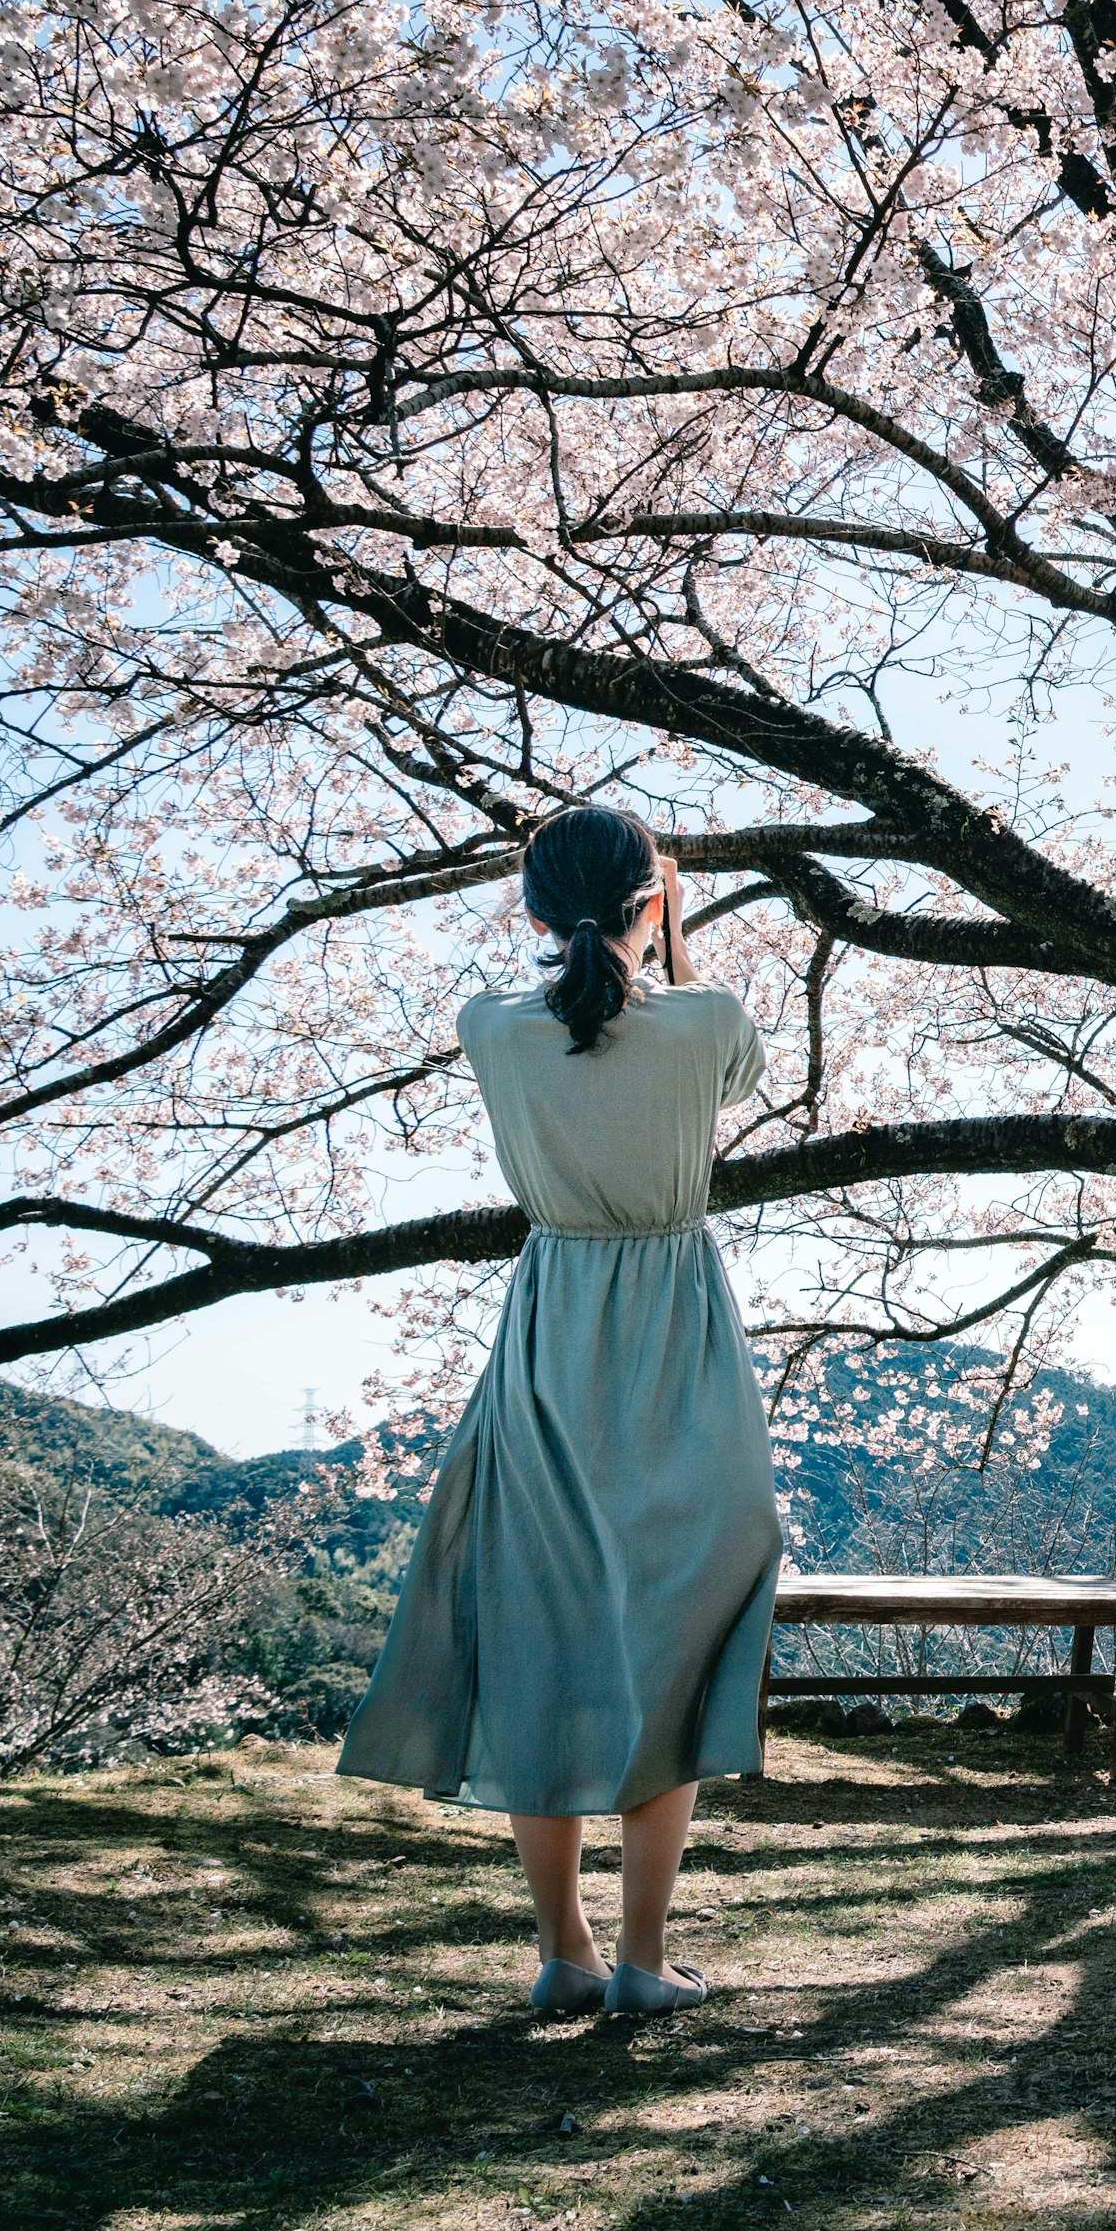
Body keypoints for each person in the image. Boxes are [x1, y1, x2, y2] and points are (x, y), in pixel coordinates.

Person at [336, 804, 780, 2017]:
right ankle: (644, 1954)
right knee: (678, 1634)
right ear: (652, 898)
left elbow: (575, 1009)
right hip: (679, 1338)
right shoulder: (711, 1022)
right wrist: (673, 930)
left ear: (532, 912)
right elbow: (716, 1054)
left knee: (541, 1634)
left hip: (550, 1339)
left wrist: (628, 927)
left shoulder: (491, 1030)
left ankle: (563, 1952)